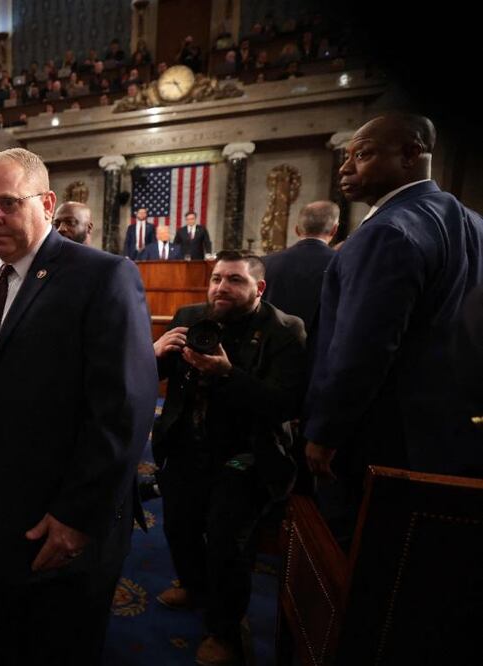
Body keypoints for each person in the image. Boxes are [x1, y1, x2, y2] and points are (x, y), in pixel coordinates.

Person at [0, 148, 158, 665]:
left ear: (46, 202)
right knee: (16, 638)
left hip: (61, 523)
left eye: (7, 203)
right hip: (0, 516)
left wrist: (76, 517)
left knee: (62, 647)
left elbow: (123, 411)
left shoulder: (101, 276)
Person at [305, 114, 483, 540]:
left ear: (410, 155)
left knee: (358, 562)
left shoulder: (387, 231)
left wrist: (324, 434)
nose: (345, 168)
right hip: (452, 437)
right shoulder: (474, 223)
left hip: (381, 442)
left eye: (362, 154)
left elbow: (362, 350)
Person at [152, 251, 307, 664]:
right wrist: (154, 354)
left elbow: (283, 404)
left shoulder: (285, 330)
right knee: (179, 526)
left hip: (245, 455)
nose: (221, 287)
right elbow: (154, 378)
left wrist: (227, 374)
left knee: (227, 544)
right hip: (186, 445)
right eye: (217, 278)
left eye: (234, 280)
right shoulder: (190, 315)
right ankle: (192, 584)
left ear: (258, 288)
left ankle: (223, 630)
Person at [261, 200, 339, 334]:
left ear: (297, 229)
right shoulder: (341, 263)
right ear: (334, 229)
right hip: (319, 349)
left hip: (272, 347)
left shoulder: (265, 263)